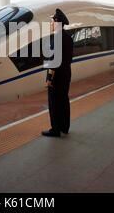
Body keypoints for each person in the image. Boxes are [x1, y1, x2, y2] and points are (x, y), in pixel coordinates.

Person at [42, 9, 73, 138]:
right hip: (66, 74)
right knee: (64, 100)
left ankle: (55, 129)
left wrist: (49, 78)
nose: (51, 23)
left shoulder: (56, 38)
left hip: (57, 77)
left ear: (57, 22)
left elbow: (52, 61)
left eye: (52, 21)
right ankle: (64, 127)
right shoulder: (68, 38)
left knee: (54, 103)